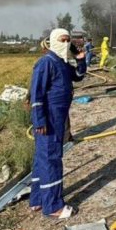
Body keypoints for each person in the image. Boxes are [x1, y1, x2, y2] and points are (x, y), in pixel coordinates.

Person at [29, 28, 86, 219]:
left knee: (42, 159)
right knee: (51, 159)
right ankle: (53, 206)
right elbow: (36, 95)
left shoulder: (61, 63)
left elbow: (78, 75)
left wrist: (80, 58)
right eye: (62, 40)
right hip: (48, 119)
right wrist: (39, 120)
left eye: (68, 40)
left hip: (58, 117)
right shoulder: (45, 63)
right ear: (53, 42)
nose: (65, 44)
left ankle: (37, 200)